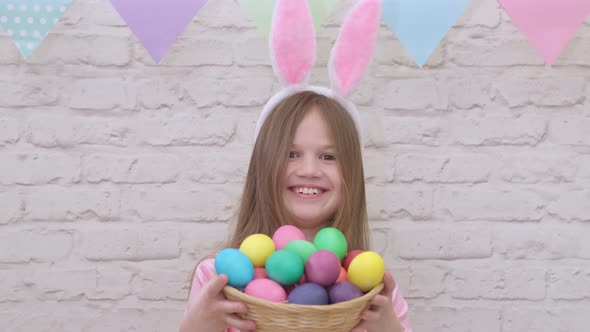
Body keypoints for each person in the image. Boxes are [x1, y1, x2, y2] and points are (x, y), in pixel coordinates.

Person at [180, 0, 412, 331]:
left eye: (328, 156)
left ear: (352, 178)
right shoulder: (220, 278)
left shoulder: (370, 292)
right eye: (292, 154)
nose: (309, 169)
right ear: (264, 167)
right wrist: (198, 325)